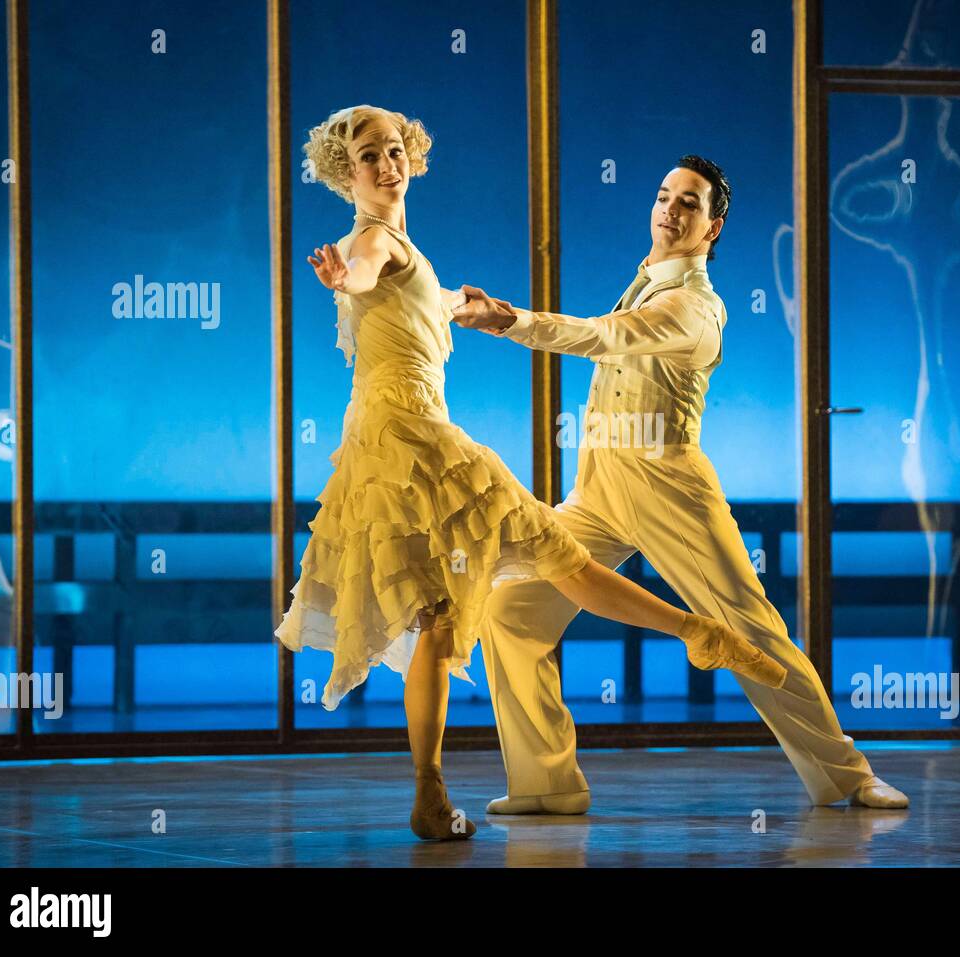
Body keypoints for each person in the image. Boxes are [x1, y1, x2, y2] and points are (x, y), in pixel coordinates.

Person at [274, 108, 786, 843]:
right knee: (549, 552)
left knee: (440, 621)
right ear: (343, 172)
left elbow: (422, 301)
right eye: (366, 156)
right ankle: (695, 630)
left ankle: (429, 791)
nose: (384, 165)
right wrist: (345, 280)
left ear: (411, 160)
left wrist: (474, 307)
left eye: (393, 151)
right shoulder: (373, 240)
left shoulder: (400, 246)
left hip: (384, 443)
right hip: (413, 441)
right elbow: (362, 269)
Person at [451, 155, 909, 813]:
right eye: (664, 194)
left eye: (689, 203)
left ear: (713, 226)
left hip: (671, 491)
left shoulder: (696, 308)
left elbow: (602, 337)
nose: (671, 209)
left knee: (751, 630)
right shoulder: (644, 281)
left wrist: (509, 319)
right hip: (600, 490)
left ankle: (849, 773)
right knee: (511, 606)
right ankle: (547, 782)